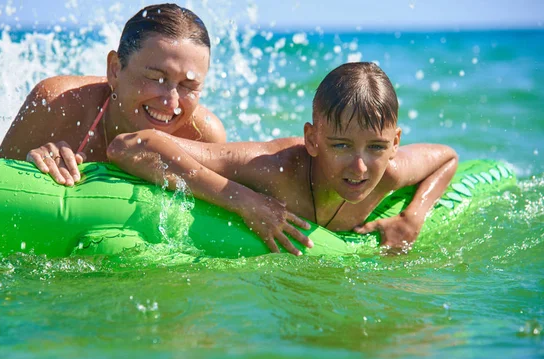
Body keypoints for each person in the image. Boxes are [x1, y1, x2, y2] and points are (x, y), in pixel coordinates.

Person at [107, 62, 459, 255]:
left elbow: (447, 158)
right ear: (312, 139)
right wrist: (245, 200)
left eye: (377, 148)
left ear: (395, 143)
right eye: (340, 146)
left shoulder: (391, 174)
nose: (360, 167)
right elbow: (131, 146)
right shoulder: (273, 169)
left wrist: (413, 217)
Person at [0, 3, 226, 186]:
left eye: (188, 85)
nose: (171, 102)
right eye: (157, 78)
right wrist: (31, 166)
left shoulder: (203, 136)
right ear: (115, 69)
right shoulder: (57, 102)